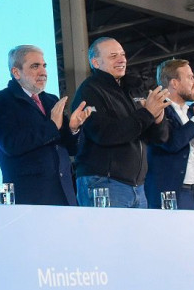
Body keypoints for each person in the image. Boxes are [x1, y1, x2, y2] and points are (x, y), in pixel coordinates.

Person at [71, 37, 170, 208]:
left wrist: (158, 117)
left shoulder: (130, 90)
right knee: (107, 235)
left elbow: (158, 139)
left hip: (137, 187)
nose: (122, 59)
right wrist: (147, 113)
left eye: (123, 54)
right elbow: (105, 134)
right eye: (113, 56)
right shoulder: (89, 91)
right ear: (95, 62)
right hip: (104, 183)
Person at [0, 45, 90, 205]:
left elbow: (71, 148)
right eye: (35, 66)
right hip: (29, 196)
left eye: (44, 66)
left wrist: (73, 128)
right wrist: (52, 126)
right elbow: (10, 145)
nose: (43, 72)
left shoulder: (51, 100)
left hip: (64, 193)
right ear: (16, 72)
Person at [145, 59, 194, 210]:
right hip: (174, 194)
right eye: (189, 77)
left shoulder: (190, 113)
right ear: (174, 83)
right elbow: (171, 143)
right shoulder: (160, 110)